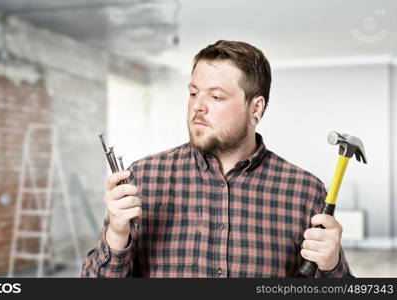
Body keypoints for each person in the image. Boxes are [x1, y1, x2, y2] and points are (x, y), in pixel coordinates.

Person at [81, 40, 353, 277]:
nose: (198, 106)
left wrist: (332, 265)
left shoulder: (304, 191)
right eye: (193, 93)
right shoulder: (143, 178)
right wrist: (116, 236)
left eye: (215, 96)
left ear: (255, 107)